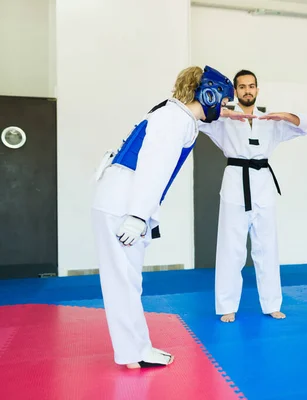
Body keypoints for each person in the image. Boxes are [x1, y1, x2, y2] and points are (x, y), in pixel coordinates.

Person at [91, 65, 235, 368]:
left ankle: (136, 349)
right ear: (208, 93)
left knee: (126, 281)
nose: (223, 109)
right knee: (124, 282)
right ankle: (135, 353)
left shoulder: (174, 115)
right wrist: (138, 217)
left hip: (118, 201)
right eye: (222, 102)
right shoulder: (175, 120)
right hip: (123, 206)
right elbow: (153, 169)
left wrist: (142, 216)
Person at [197, 69, 307, 323]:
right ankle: (227, 306)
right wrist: (221, 110)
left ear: (257, 90)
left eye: (251, 86)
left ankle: (272, 304)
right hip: (234, 186)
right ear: (236, 91)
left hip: (263, 187)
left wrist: (283, 114)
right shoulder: (224, 120)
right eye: (242, 87)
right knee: (231, 249)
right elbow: (194, 120)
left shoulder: (270, 121)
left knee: (267, 248)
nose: (247, 90)